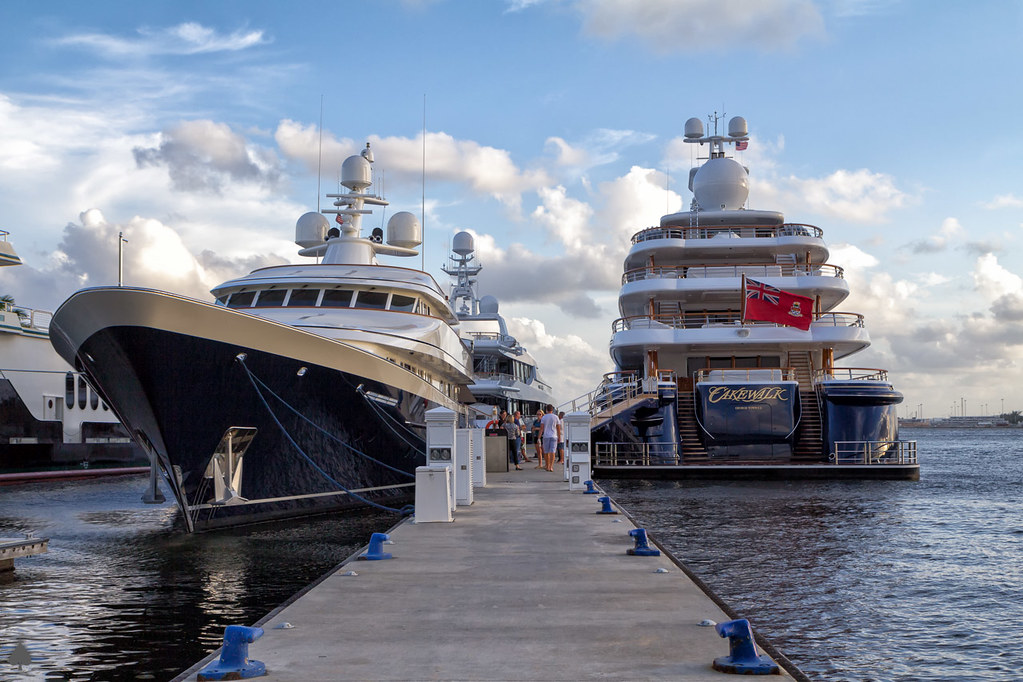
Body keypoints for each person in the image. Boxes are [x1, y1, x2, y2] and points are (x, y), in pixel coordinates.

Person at [539, 403, 561, 472]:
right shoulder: (556, 417)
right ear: (552, 409)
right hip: (554, 436)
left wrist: (539, 437)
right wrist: (559, 437)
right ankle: (551, 466)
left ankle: (547, 465)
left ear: (546, 410)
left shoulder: (544, 417)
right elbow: (558, 428)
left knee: (546, 451)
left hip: (546, 436)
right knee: (553, 451)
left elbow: (541, 428)